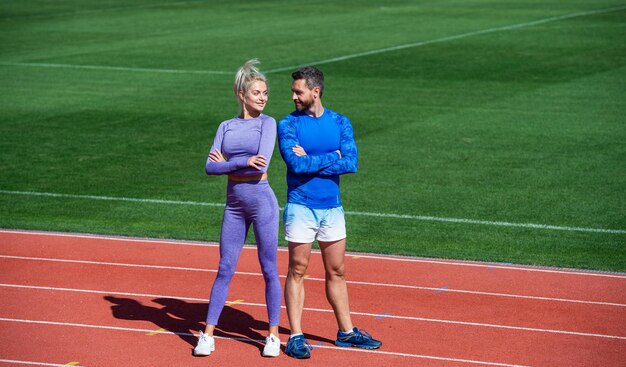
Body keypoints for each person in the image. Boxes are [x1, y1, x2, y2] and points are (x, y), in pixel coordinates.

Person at [277, 66, 382, 359]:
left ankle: (346, 332)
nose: (293, 96)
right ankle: (296, 335)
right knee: (297, 270)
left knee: (337, 270)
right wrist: (332, 156)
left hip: (332, 209)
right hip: (300, 207)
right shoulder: (287, 125)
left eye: (298, 91)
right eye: (293, 91)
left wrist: (314, 159)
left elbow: (351, 163)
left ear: (315, 91)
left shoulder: (340, 122)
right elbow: (296, 166)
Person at [194, 59, 281, 358]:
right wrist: (242, 162)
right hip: (233, 206)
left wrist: (229, 164)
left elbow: (262, 163)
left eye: (266, 93)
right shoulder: (225, 127)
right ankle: (207, 334)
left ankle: (272, 336)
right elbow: (208, 167)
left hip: (263, 203)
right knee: (224, 268)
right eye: (257, 92)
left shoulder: (268, 124)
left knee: (269, 269)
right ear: (241, 94)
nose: (263, 97)